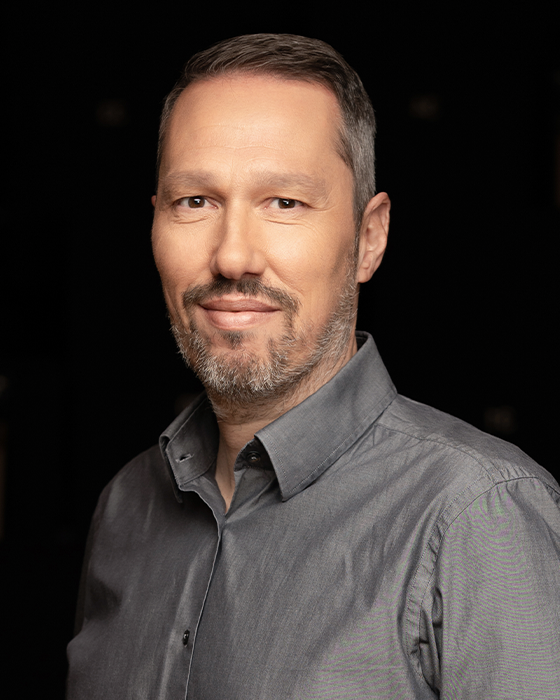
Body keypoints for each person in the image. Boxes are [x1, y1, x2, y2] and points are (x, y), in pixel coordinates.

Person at [67, 34, 560, 699]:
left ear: (369, 238)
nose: (233, 256)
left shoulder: (478, 516)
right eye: (195, 202)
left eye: (284, 203)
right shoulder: (125, 507)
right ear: (154, 223)